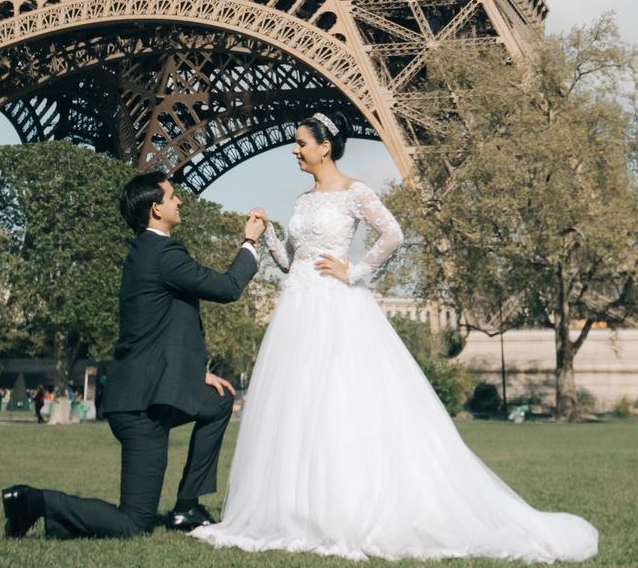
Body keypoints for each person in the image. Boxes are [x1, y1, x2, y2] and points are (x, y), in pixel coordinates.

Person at [193, 113, 598, 564]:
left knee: (338, 403)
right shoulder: (303, 201)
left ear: (324, 146)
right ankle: (298, 508)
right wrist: (267, 232)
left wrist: (355, 271)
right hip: (298, 310)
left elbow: (394, 233)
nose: (294, 149)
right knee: (299, 407)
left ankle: (342, 506)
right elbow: (291, 262)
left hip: (335, 307)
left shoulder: (355, 191)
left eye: (300, 143)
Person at [1, 174, 266, 541]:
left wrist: (193, 372)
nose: (179, 202)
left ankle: (187, 507)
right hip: (141, 407)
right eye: (172, 196)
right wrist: (250, 242)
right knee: (135, 523)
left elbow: (154, 329)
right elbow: (227, 287)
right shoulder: (164, 253)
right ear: (156, 208)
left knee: (218, 401)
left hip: (149, 392)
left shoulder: (145, 251)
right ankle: (33, 501)